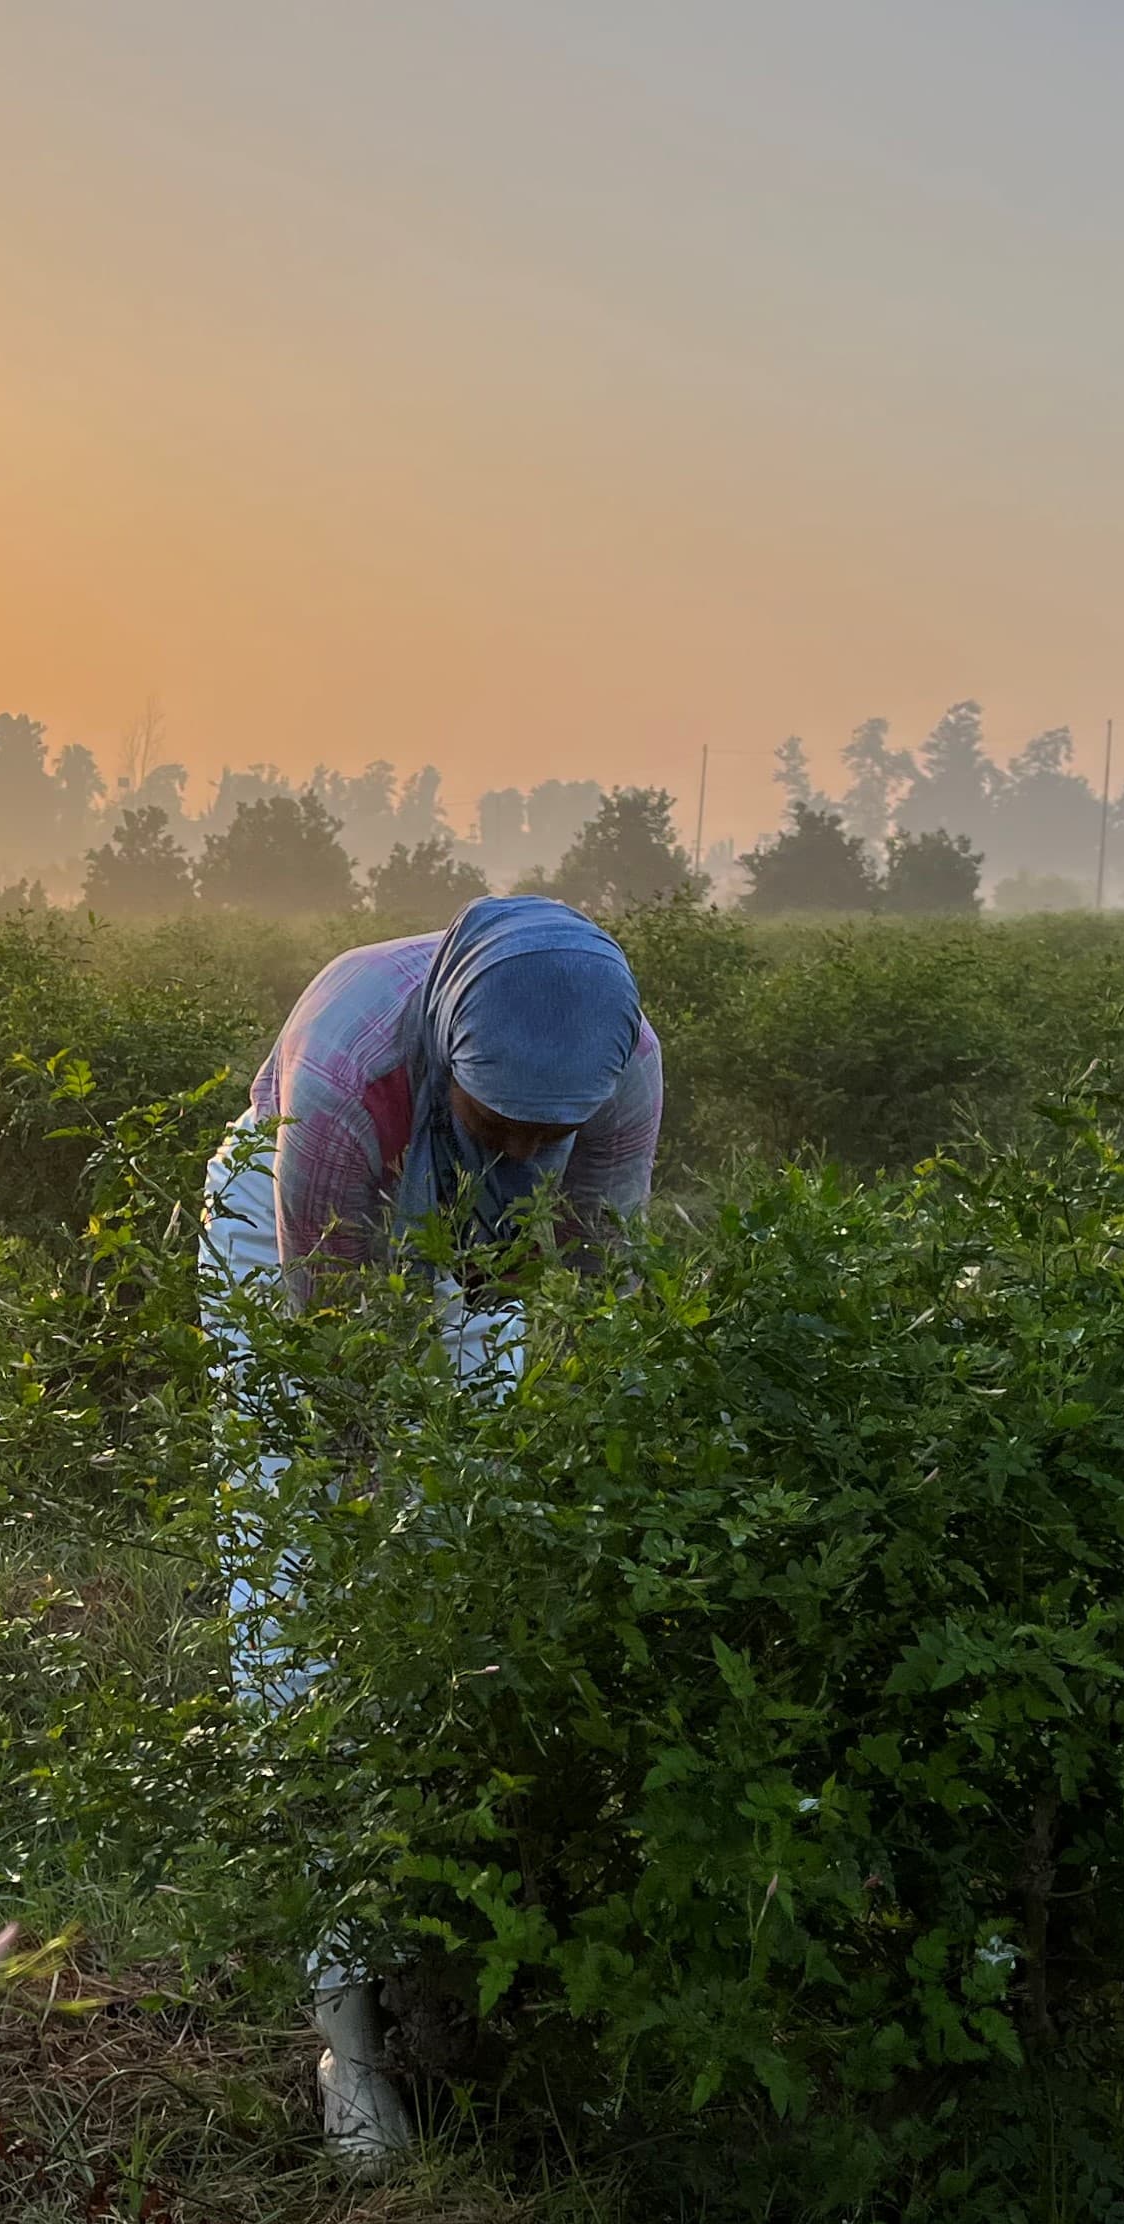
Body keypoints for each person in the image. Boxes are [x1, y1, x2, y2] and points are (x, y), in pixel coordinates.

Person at [197, 895, 664, 2159]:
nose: (521, 1149)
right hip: (285, 1230)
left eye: (544, 1134)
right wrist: (384, 1561)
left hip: (457, 1241)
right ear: (451, 1061)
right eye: (496, 1122)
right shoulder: (348, 1088)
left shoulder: (615, 1079)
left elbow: (592, 1302)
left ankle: (459, 1978)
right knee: (307, 1605)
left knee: (483, 1564)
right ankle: (346, 2045)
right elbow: (343, 1387)